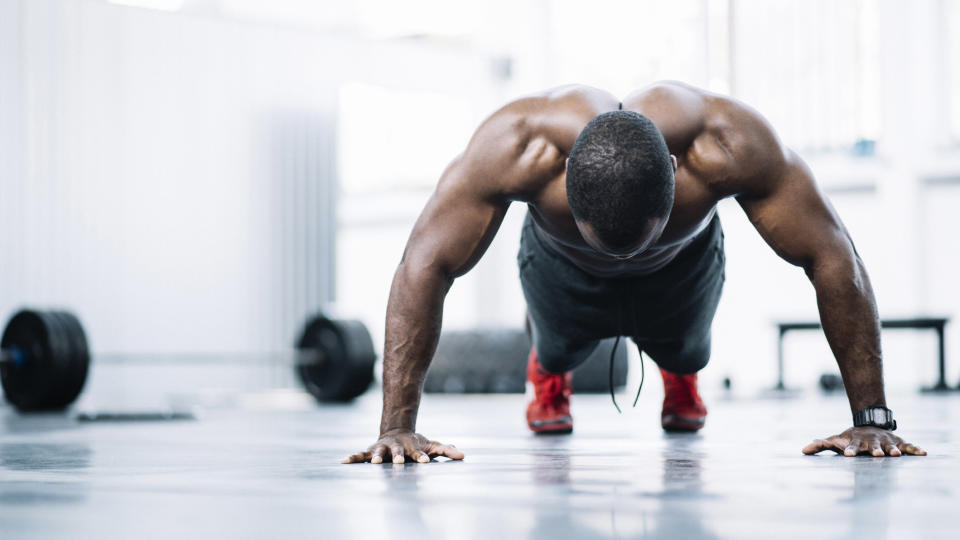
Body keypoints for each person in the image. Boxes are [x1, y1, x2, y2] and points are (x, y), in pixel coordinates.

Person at [342, 82, 926, 464]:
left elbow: (831, 254)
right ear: (564, 176)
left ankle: (680, 376)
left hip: (682, 266)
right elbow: (424, 263)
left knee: (686, 349)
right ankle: (549, 373)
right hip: (560, 267)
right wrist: (397, 427)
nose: (622, 258)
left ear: (676, 172)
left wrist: (871, 419)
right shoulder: (517, 147)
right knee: (559, 346)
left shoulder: (728, 143)